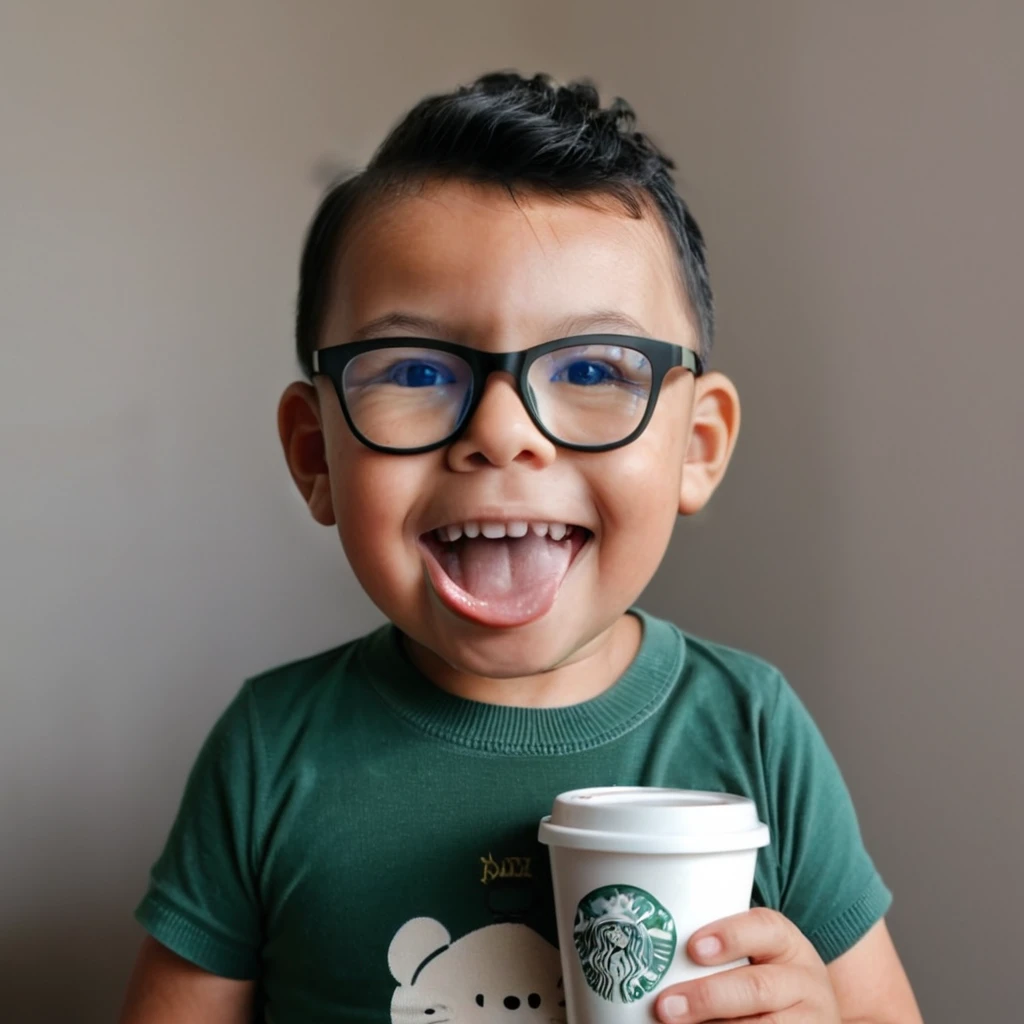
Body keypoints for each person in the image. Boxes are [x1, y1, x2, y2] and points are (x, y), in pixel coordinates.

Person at [119, 72, 922, 1023]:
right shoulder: (269, 753)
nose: (503, 433)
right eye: (416, 369)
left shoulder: (753, 732)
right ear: (315, 455)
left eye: (591, 368)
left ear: (696, 449)